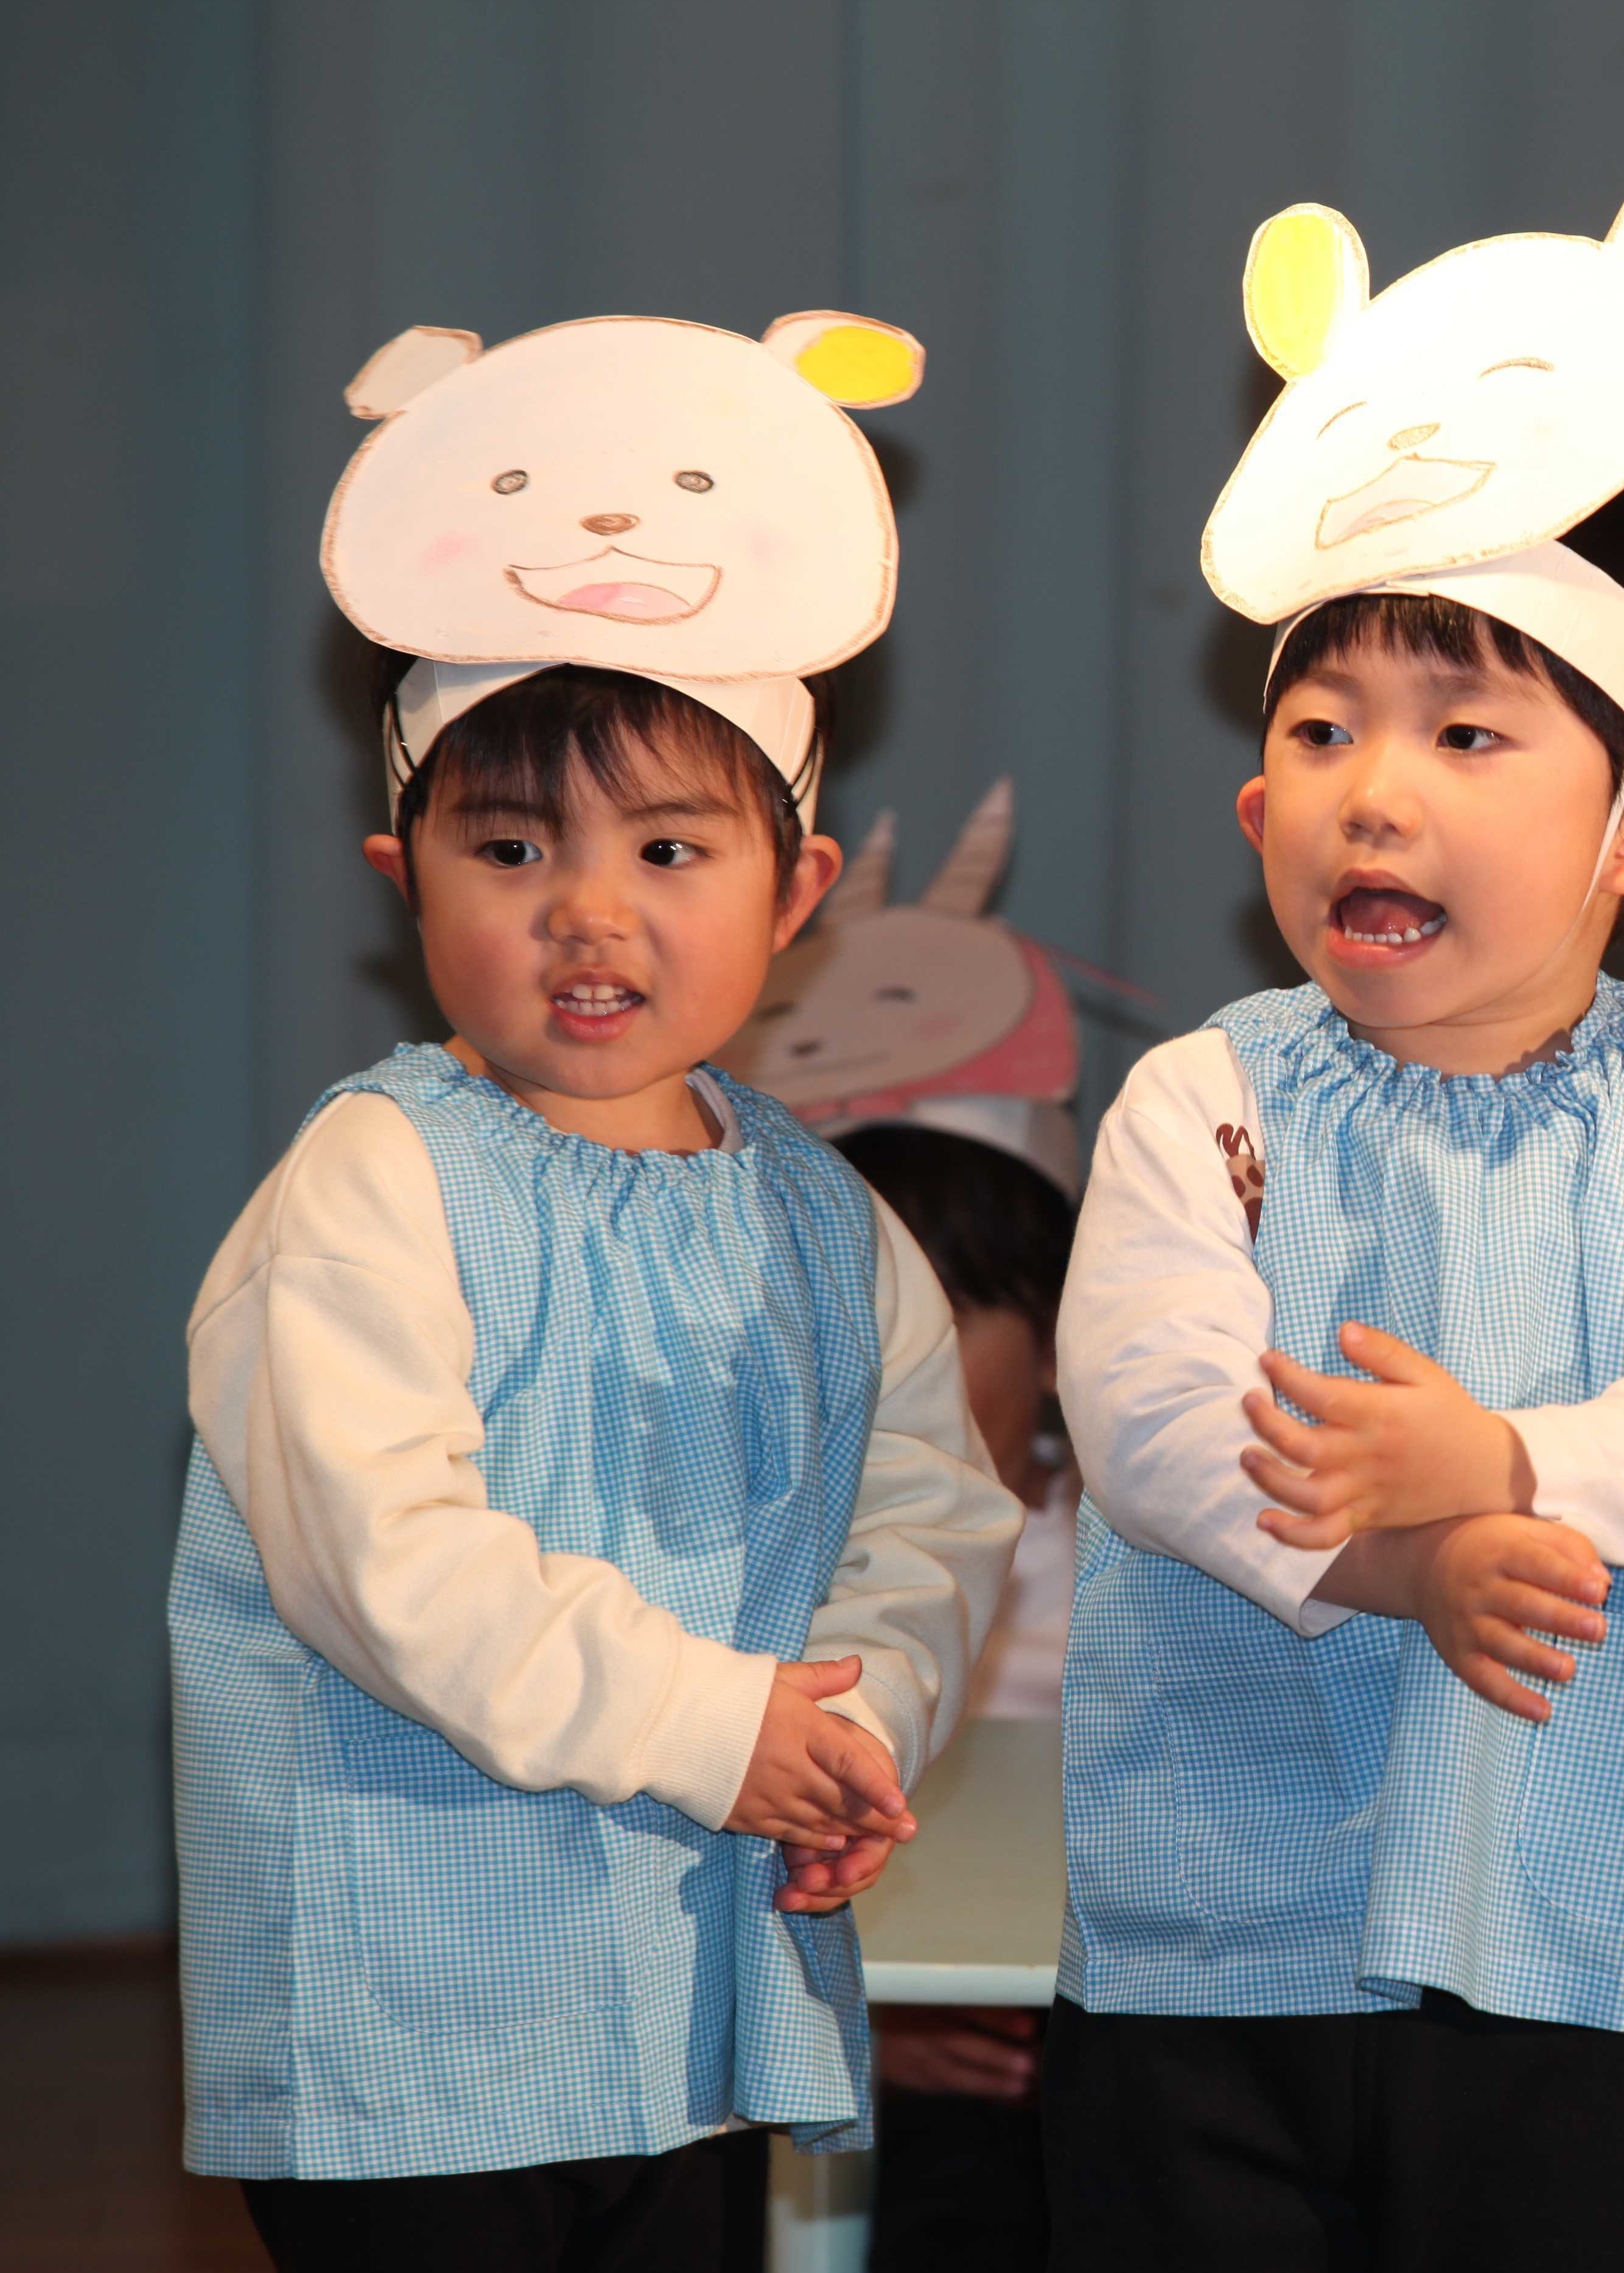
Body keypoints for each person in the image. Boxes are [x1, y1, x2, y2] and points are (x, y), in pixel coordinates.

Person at [1048, 101, 1624, 2269]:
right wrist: (1412, 1559)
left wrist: (1501, 1461)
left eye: (1467, 735)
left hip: (1596, 1929)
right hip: (1225, 1921)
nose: (1373, 793)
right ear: (1255, 804)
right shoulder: (1204, 1101)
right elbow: (1148, 1415)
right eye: (1322, 733)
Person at [173, 309, 1024, 2273]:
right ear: (405, 872)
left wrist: (854, 1722)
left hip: (683, 2004)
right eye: (508, 844)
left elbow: (929, 1510)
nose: (587, 907)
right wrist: (718, 1720)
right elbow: (393, 1563)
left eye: (669, 845)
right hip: (408, 2019)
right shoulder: (376, 1180)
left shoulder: (825, 1218)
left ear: (794, 891)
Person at [730, 780, 1096, 2272]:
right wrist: (882, 2025)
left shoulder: (1145, 1562)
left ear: (1061, 1340)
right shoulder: (762, 1573)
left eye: (943, 1317)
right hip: (852, 2032)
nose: (889, 1368)